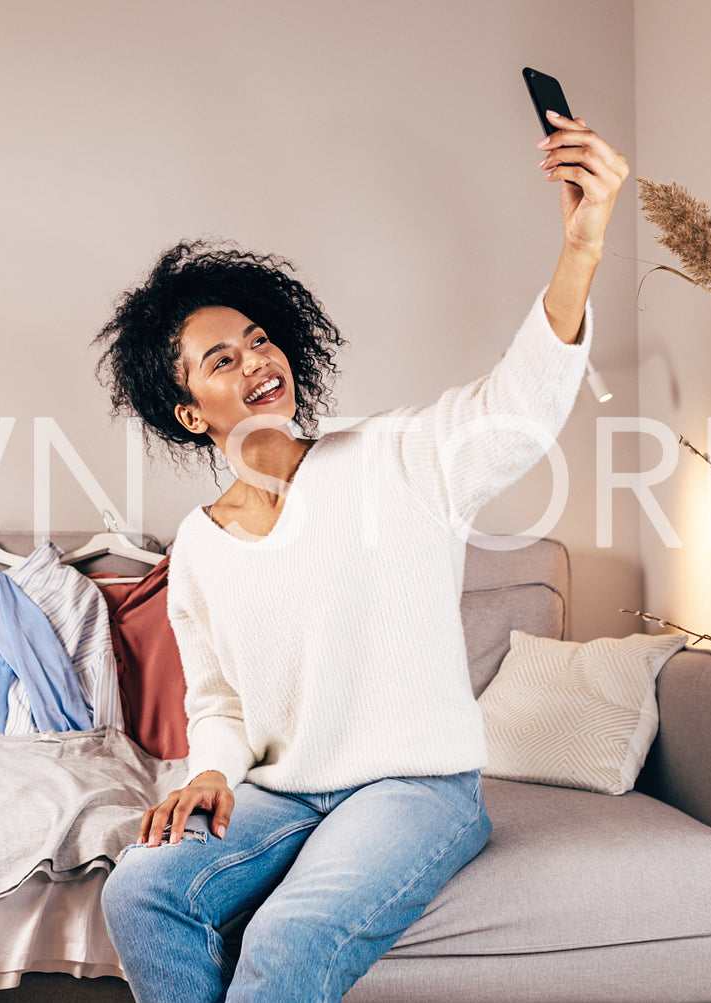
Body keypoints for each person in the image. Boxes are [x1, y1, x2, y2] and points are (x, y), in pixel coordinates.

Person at [92, 111, 628, 1002]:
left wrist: (580, 248)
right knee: (142, 892)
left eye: (260, 339)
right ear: (189, 411)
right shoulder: (198, 545)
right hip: (284, 789)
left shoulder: (397, 457)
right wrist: (212, 775)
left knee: (290, 935)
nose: (255, 360)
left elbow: (519, 408)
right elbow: (216, 698)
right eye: (219, 359)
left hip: (414, 787)